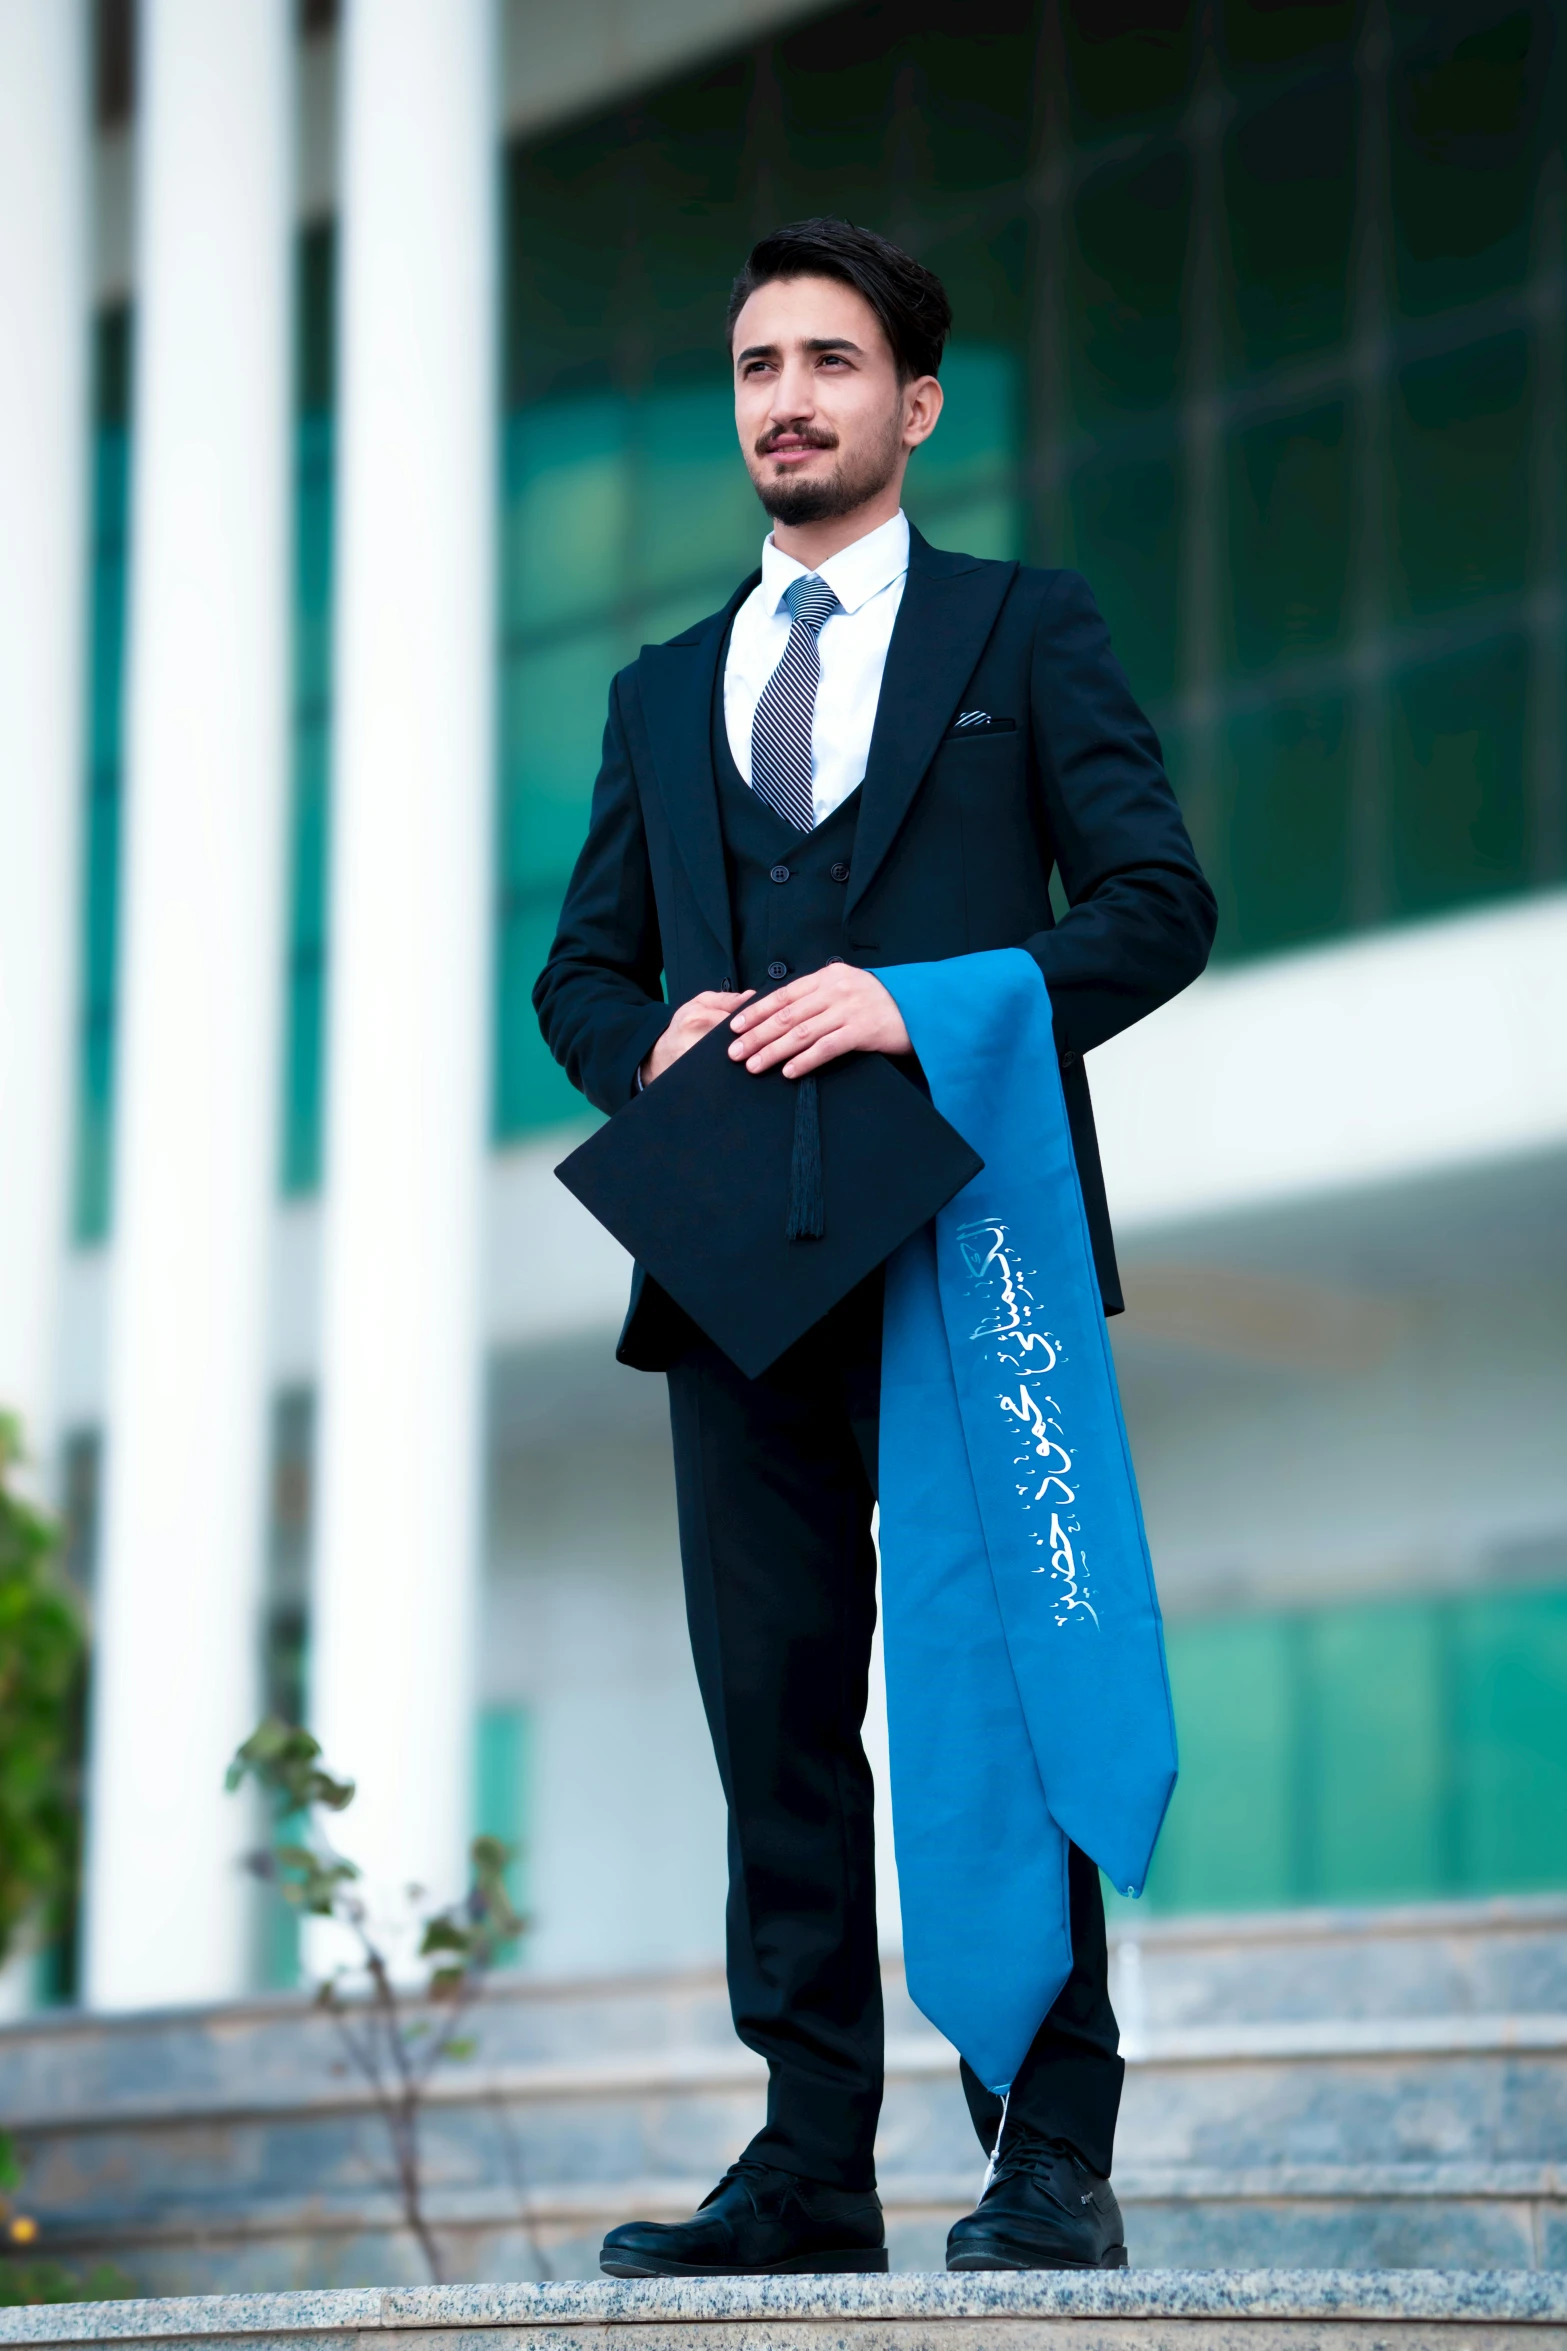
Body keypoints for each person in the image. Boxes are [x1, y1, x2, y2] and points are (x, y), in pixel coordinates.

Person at [534, 217, 1216, 2276]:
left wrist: (927, 995)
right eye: (756, 368)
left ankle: (1049, 2152)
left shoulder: (1026, 631)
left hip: (964, 1249)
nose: (788, 401)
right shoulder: (661, 692)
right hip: (732, 1267)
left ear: (913, 406)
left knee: (1005, 1687)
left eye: (829, 364)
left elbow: (1157, 902)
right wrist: (637, 1038)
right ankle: (811, 2160)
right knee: (777, 1719)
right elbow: (578, 972)